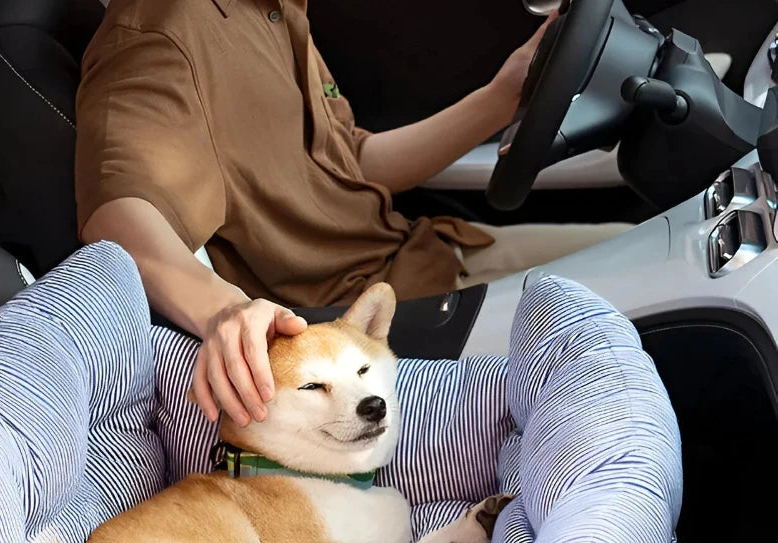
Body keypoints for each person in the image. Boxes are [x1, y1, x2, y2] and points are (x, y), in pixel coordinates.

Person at [75, 1, 627, 428]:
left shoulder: (273, 10)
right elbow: (118, 214)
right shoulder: (157, 37)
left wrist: (504, 95)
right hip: (388, 324)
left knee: (654, 239)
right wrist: (226, 311)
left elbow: (351, 160)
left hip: (429, 251)